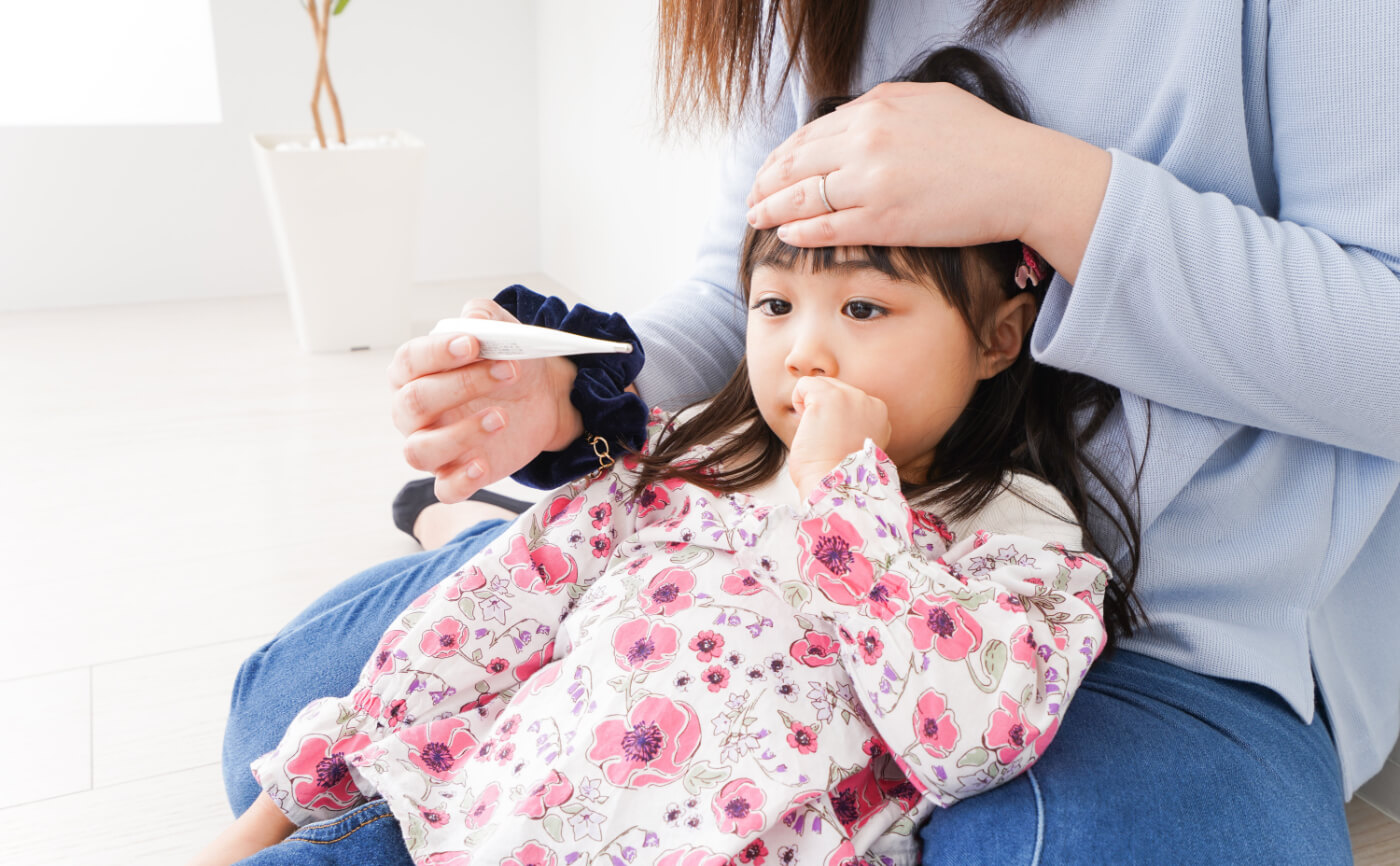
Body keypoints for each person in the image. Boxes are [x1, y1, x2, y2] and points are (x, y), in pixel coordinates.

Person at [224, 1, 1398, 862]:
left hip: (1150, 639)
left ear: (1002, 334)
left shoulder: (1034, 546)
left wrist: (1047, 191)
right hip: (742, 571)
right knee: (282, 713)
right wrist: (582, 389)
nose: (807, 339)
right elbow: (752, 291)